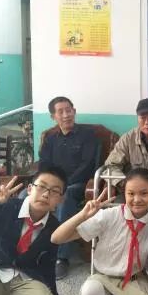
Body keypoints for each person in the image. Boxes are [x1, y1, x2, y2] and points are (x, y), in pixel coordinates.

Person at [39, 96, 99, 280]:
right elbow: (44, 165)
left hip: (78, 184)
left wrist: (61, 187)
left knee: (66, 197)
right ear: (53, 116)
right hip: (53, 184)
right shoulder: (50, 138)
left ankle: (61, 257)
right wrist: (45, 185)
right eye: (61, 112)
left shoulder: (88, 135)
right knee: (26, 194)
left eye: (69, 110)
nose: (66, 115)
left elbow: (87, 165)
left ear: (74, 111)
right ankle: (31, 248)